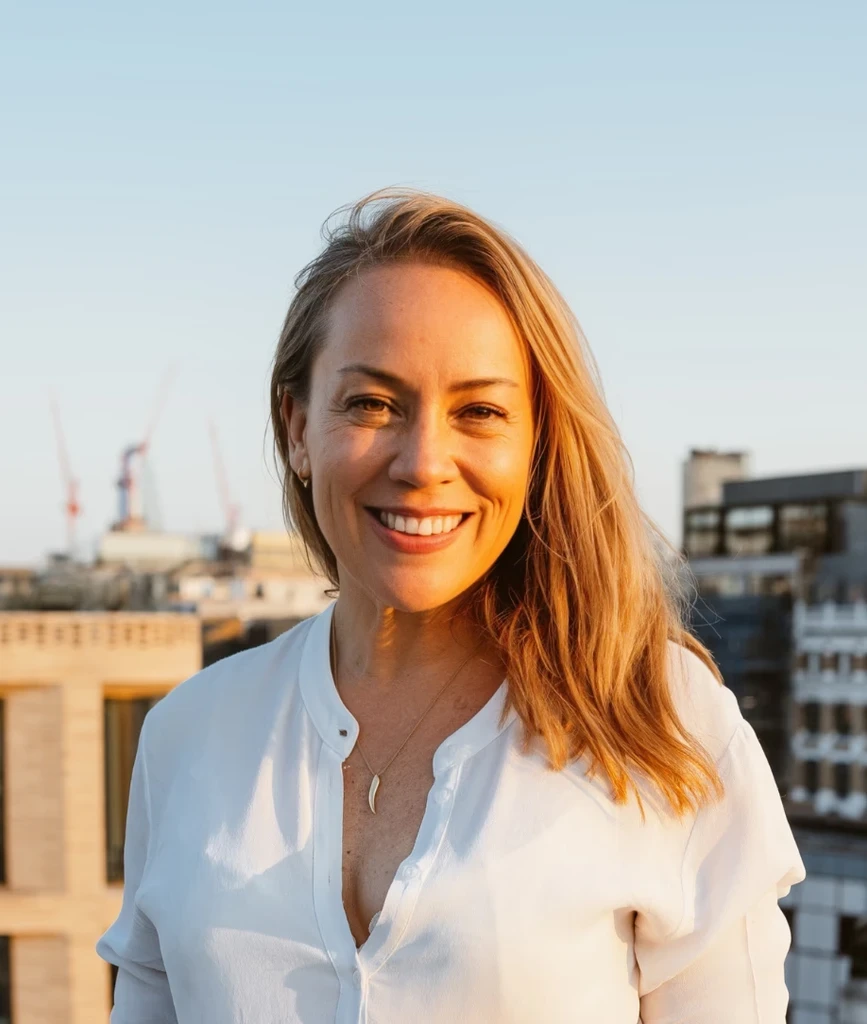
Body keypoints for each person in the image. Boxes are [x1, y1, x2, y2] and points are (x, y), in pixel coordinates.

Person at [96, 189, 805, 1023]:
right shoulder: (189, 734)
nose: (424, 461)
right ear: (296, 428)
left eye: (479, 411)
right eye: (371, 404)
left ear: (535, 443)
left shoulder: (665, 722)